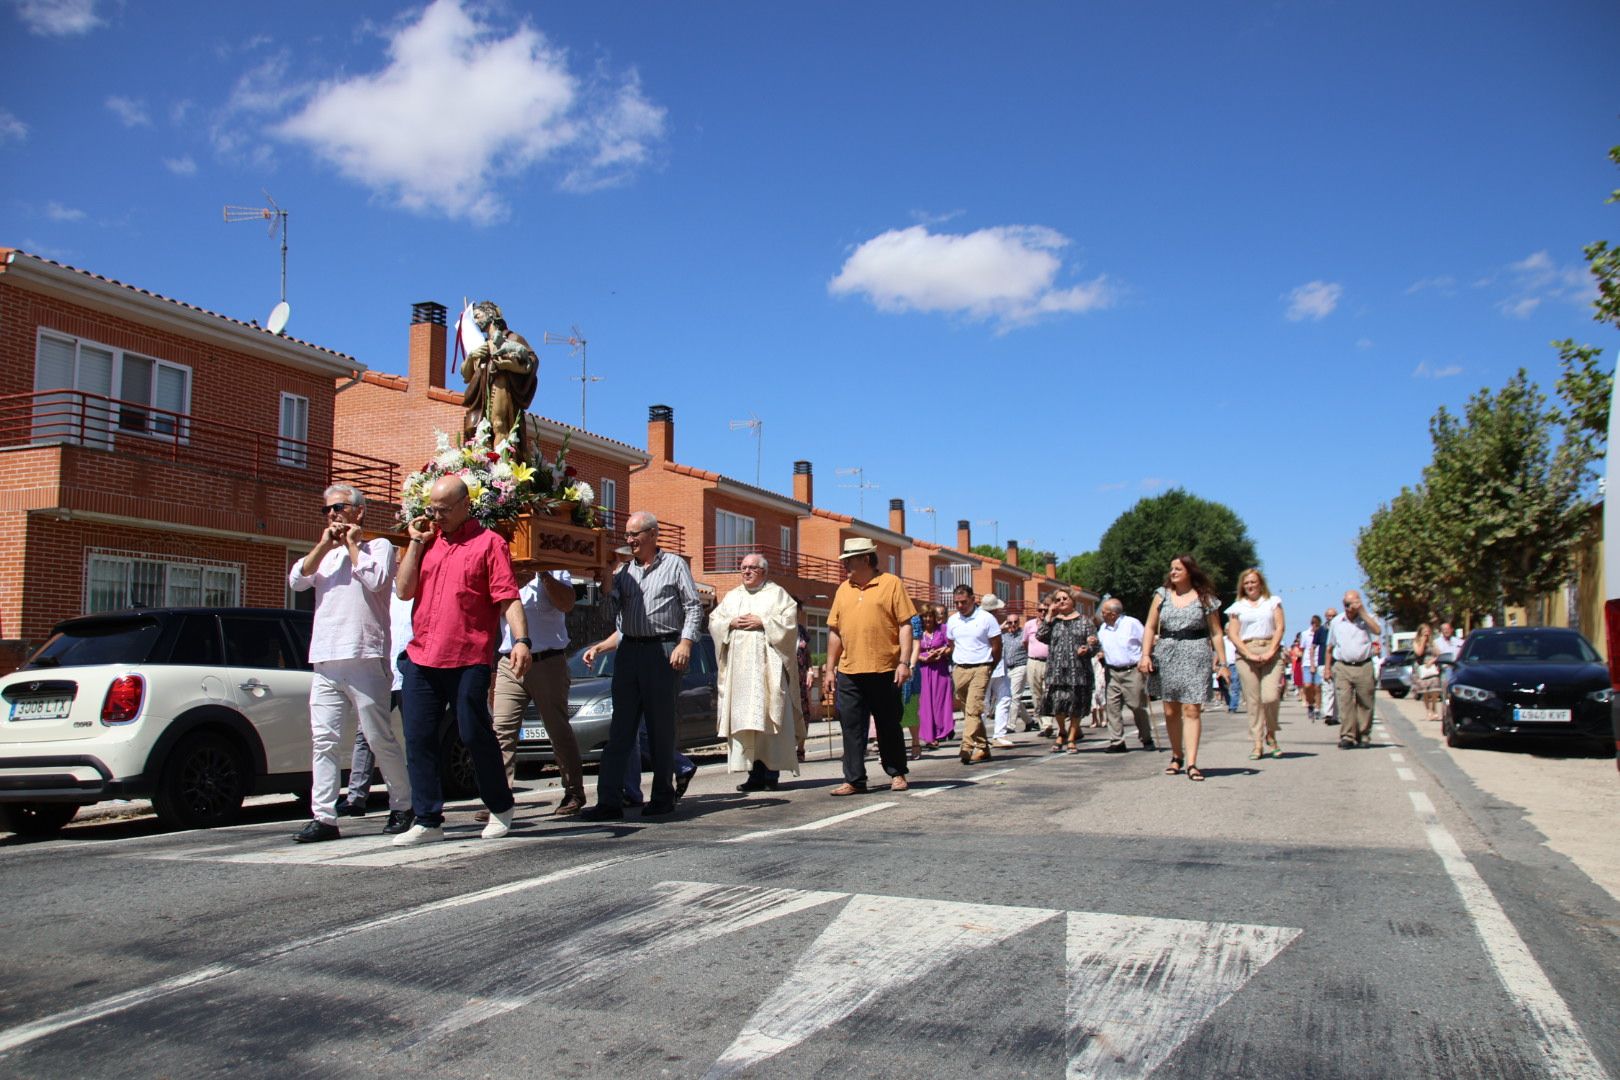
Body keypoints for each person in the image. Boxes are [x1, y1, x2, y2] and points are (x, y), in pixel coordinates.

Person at [393, 475, 529, 844]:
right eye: (432, 508)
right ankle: (427, 819)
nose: (436, 516)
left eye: (443, 509)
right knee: (417, 737)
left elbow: (508, 597)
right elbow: (403, 590)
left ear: (465, 505)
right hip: (422, 656)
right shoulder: (427, 541)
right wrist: (415, 544)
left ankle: (500, 805)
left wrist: (521, 640)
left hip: (468, 656)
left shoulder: (489, 543)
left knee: (472, 732)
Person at [286, 484, 414, 842]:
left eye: (339, 508)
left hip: (364, 655)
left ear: (359, 511)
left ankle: (403, 804)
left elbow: (376, 581)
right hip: (326, 658)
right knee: (323, 740)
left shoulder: (380, 547)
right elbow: (297, 580)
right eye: (327, 510)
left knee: (377, 737)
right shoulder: (324, 555)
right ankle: (324, 816)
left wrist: (354, 544)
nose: (332, 515)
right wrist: (326, 544)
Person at [580, 512, 705, 820]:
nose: (630, 540)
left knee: (661, 729)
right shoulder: (624, 573)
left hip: (662, 651)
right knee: (620, 730)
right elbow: (610, 615)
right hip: (629, 653)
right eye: (627, 535)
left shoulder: (675, 565)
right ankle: (609, 801)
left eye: (635, 534)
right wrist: (607, 584)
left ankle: (662, 797)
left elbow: (692, 606)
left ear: (653, 535)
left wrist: (686, 643)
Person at [489, 569, 587, 819]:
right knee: (501, 729)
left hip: (547, 660)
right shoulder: (504, 568)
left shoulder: (555, 568)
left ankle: (574, 790)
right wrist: (513, 581)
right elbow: (492, 612)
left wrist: (544, 575)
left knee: (557, 729)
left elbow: (566, 603)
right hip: (509, 662)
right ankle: (499, 797)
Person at [822, 537, 916, 795]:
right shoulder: (843, 589)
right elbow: (835, 632)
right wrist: (830, 669)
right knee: (851, 727)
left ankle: (897, 773)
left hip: (884, 668)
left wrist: (904, 662)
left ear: (865, 558)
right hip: (850, 671)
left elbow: (905, 625)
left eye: (849, 560)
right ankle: (854, 779)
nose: (845, 566)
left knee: (888, 724)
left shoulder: (891, 583)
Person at [710, 554, 801, 793]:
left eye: (752, 568)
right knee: (747, 722)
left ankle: (771, 773)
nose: (746, 572)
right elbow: (714, 620)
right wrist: (730, 623)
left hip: (767, 670)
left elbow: (790, 623)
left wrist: (764, 622)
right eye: (743, 568)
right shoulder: (733, 596)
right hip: (740, 673)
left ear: (764, 571)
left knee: (768, 719)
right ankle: (754, 774)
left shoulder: (777, 594)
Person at [1139, 555, 1224, 782]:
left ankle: (1193, 763)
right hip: (1167, 653)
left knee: (1192, 709)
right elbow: (1149, 626)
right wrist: (1145, 655)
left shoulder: (1205, 598)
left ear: (1189, 571)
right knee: (1170, 710)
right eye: (1171, 569)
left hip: (1196, 653)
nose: (1173, 572)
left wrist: (1223, 662)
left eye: (1178, 568)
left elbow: (1216, 632)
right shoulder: (1162, 595)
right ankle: (1177, 755)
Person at [461, 300, 537, 450]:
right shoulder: (480, 345)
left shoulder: (512, 338)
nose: (475, 321)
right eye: (474, 318)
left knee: (499, 423)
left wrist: (509, 364)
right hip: (482, 392)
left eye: (478, 316)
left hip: (501, 384)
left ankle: (502, 464)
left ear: (490, 314)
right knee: (481, 429)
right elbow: (466, 375)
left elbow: (531, 362)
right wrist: (471, 357)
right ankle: (484, 462)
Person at [1226, 567, 1285, 761]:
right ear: (1242, 586)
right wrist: (1248, 653)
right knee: (1253, 701)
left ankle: (1271, 735)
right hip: (1246, 654)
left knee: (1270, 697)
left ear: (1260, 583)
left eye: (1253, 582)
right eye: (1247, 583)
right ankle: (1257, 743)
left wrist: (1270, 651)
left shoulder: (1272, 602)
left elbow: (1280, 627)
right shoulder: (1237, 606)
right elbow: (1233, 634)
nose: (1250, 585)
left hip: (1270, 650)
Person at [946, 585, 1002, 764]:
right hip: (960, 668)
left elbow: (996, 645)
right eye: (956, 603)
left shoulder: (987, 619)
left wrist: (990, 666)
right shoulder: (953, 620)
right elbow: (952, 643)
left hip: (981, 667)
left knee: (974, 707)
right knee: (968, 709)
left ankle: (967, 746)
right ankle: (983, 746)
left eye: (963, 602)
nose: (960, 606)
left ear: (972, 599)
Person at [1036, 588, 1097, 753]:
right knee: (1058, 704)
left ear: (1073, 601)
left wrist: (1088, 647)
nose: (1061, 601)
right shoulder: (1053, 622)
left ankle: (1071, 737)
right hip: (1056, 671)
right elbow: (1040, 636)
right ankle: (1062, 731)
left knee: (1076, 705)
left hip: (1078, 671)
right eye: (1058, 599)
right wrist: (1049, 615)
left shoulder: (1085, 621)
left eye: (1065, 598)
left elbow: (1094, 643)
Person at [1097, 598, 1155, 753]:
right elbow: (1102, 646)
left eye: (1104, 612)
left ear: (1113, 614)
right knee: (1112, 707)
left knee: (1137, 705)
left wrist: (1146, 658)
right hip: (1112, 671)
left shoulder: (1131, 624)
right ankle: (1117, 741)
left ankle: (1146, 737)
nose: (1101, 614)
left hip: (1132, 670)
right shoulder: (1103, 628)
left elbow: (1147, 641)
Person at [1326, 591, 1382, 749]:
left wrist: (1362, 612)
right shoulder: (1337, 621)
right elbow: (1329, 647)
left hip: (1363, 665)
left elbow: (1377, 631)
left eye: (1352, 603)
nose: (1349, 607)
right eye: (1346, 604)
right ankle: (1347, 735)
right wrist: (1327, 668)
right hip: (1343, 666)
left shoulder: (1367, 619)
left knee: (1366, 702)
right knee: (1345, 702)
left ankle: (1364, 734)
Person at [916, 604, 955, 749]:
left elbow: (951, 646)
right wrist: (922, 657)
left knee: (939, 702)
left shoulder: (943, 629)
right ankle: (929, 737)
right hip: (924, 670)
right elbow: (911, 650)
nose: (928, 619)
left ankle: (940, 732)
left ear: (934, 617)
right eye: (925, 616)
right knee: (925, 704)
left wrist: (941, 652)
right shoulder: (918, 632)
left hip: (940, 670)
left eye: (930, 616)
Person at [993, 611, 1030, 745]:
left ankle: (1010, 725)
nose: (1013, 625)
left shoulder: (1023, 634)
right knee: (1015, 697)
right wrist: (1000, 627)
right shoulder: (1003, 636)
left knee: (1014, 696)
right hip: (1006, 668)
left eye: (1015, 622)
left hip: (1020, 666)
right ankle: (1029, 721)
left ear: (1019, 623)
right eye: (1010, 622)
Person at [1023, 600, 1053, 736]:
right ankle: (1042, 724)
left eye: (1045, 610)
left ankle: (1048, 723)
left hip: (1049, 662)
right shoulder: (1029, 625)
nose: (1043, 613)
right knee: (1036, 694)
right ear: (1037, 612)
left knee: (1048, 692)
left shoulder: (1053, 624)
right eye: (1040, 610)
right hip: (1033, 662)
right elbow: (1025, 643)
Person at [1409, 622, 1443, 721]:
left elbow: (1438, 654)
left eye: (1428, 632)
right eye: (1424, 632)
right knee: (1425, 691)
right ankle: (1429, 711)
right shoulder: (1416, 642)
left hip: (1432, 668)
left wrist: (1433, 660)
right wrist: (1423, 641)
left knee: (1435, 689)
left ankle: (1434, 709)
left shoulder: (1432, 642)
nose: (1427, 634)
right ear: (1420, 633)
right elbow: (1419, 653)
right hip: (1421, 669)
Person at [1301, 615, 1325, 720]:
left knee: (1317, 687)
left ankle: (1318, 708)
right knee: (1307, 686)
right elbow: (1303, 649)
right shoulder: (1305, 634)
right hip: (1307, 663)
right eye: (1313, 623)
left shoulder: (1322, 633)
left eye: (1317, 624)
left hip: (1319, 662)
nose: (1314, 625)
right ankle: (1310, 704)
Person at [1319, 607, 1339, 725]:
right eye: (1329, 616)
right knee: (1327, 689)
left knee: (1337, 690)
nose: (1331, 618)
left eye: (1333, 616)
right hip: (1323, 663)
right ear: (1326, 617)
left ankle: (1335, 716)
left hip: (1338, 662)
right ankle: (1328, 713)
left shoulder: (1341, 628)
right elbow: (1314, 647)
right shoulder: (1321, 630)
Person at [1223, 636, 1243, 714]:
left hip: (1235, 664)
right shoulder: (1223, 640)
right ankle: (1230, 704)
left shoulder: (1238, 638)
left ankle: (1232, 707)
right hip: (1224, 665)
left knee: (1235, 686)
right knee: (1223, 687)